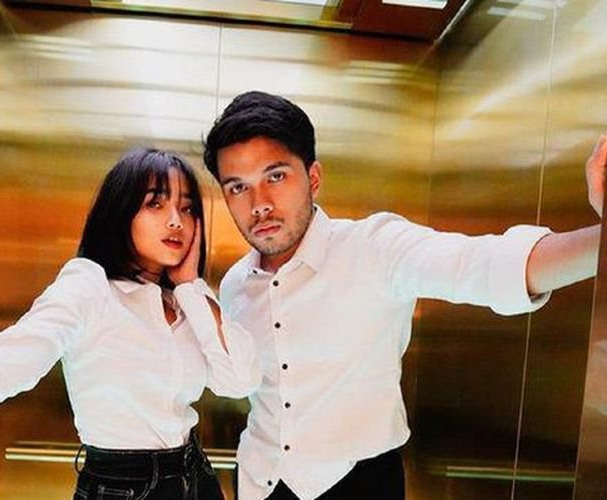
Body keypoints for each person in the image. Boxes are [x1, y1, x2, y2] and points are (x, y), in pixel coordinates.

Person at [202, 90, 607, 500]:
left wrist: (603, 239)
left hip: (361, 484)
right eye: (238, 187)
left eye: (275, 177)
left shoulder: (375, 248)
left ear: (313, 178)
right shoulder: (234, 286)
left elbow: (484, 265)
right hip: (261, 483)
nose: (259, 204)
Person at [0, 147, 262, 500]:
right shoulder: (89, 285)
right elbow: (12, 359)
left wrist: (190, 285)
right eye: (155, 204)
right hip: (124, 487)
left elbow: (239, 381)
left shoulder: (189, 301)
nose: (176, 221)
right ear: (121, 212)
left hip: (196, 477)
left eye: (187, 208)